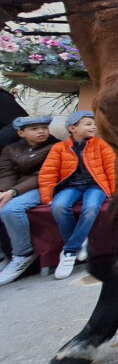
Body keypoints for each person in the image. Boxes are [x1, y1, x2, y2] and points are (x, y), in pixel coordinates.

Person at [38, 111, 116, 279]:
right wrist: (47, 196)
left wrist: (114, 191)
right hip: (70, 186)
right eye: (88, 124)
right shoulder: (59, 148)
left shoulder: (101, 145)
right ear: (72, 128)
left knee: (91, 208)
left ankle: (69, 251)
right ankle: (80, 242)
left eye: (94, 124)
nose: (93, 127)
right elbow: (47, 173)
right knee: (58, 206)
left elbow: (111, 168)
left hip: (96, 185)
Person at [0, 116, 57, 285]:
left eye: (44, 127)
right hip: (16, 187)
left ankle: (23, 254)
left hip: (45, 186)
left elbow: (42, 175)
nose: (41, 131)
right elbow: (6, 173)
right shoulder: (11, 149)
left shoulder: (55, 146)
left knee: (11, 210)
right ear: (20, 133)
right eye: (34, 129)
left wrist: (13, 192)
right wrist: (3, 191)